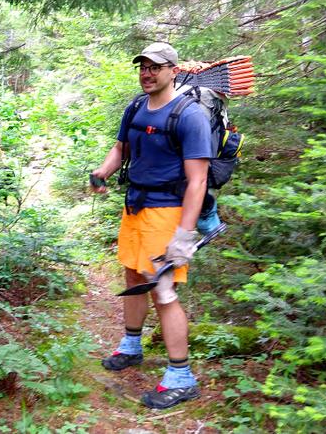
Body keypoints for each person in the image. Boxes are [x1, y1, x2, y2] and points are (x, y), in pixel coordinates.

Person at [90, 42, 211, 409]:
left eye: (155, 67)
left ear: (173, 71)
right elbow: (120, 149)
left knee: (163, 290)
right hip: (135, 207)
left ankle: (181, 377)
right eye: (143, 66)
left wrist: (184, 234)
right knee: (132, 277)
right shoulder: (136, 107)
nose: (147, 72)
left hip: (168, 212)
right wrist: (102, 172)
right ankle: (131, 345)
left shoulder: (189, 116)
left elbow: (199, 180)